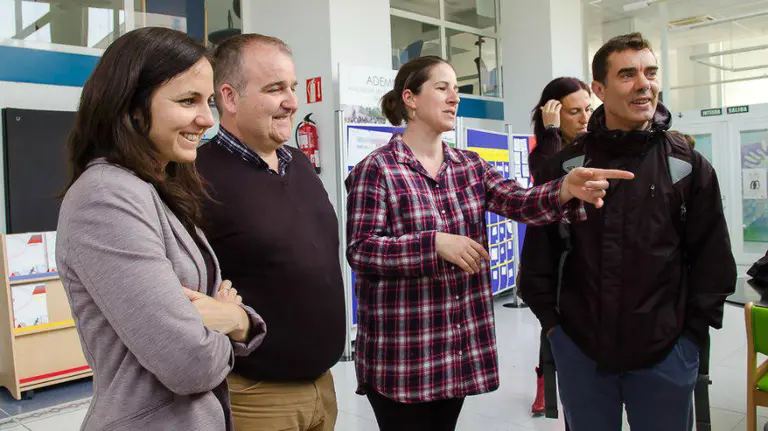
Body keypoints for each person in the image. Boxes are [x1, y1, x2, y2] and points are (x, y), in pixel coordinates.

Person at [345, 55, 634, 431]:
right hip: (405, 353)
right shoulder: (378, 169)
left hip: (455, 347)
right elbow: (362, 250)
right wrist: (432, 244)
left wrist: (564, 189)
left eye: (456, 89)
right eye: (442, 87)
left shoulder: (470, 166)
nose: (455, 97)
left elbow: (519, 202)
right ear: (410, 99)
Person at [519, 32, 736, 431]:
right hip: (581, 350)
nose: (644, 84)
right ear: (599, 88)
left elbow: (713, 261)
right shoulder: (567, 167)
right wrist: (556, 332)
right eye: (627, 74)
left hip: (666, 353)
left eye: (651, 72)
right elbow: (538, 259)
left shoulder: (687, 165)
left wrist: (689, 339)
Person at [56, 27, 266, 431]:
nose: (207, 118)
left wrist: (233, 318)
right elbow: (189, 364)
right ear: (131, 106)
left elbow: (214, 324)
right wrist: (231, 321)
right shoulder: (105, 197)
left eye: (207, 101)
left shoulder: (156, 189)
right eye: (188, 100)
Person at [196, 34, 345, 431]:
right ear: (229, 97)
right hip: (255, 396)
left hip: (323, 388)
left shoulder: (297, 162)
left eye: (293, 87)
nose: (293, 101)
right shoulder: (196, 175)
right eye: (275, 88)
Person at [527, 77, 593, 416]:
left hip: (592, 259)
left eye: (588, 109)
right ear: (554, 113)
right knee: (551, 327)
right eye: (574, 111)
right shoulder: (545, 151)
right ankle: (544, 381)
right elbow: (546, 186)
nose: (584, 118)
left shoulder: (598, 145)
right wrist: (551, 132)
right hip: (556, 260)